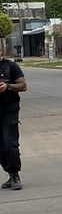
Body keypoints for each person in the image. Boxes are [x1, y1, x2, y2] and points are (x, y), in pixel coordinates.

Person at [0, 48, 27, 191]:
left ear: (1, 53)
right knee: (1, 147)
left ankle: (15, 174)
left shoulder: (11, 66)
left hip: (9, 109)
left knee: (10, 143)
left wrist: (8, 86)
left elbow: (23, 86)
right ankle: (9, 174)